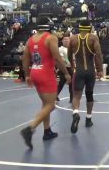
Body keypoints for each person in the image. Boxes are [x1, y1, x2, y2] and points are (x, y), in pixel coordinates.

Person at [20, 17, 71, 149]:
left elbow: (25, 58)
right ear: (49, 26)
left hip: (35, 73)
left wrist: (26, 75)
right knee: (51, 105)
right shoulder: (50, 38)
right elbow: (57, 57)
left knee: (45, 104)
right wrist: (66, 73)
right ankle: (30, 128)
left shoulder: (30, 40)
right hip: (46, 75)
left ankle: (47, 131)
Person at [68, 20, 103, 134]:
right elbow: (98, 55)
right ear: (89, 28)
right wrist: (100, 70)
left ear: (79, 27)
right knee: (89, 95)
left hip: (78, 71)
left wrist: (73, 65)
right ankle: (88, 119)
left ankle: (76, 113)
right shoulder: (93, 38)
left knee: (76, 95)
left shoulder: (73, 38)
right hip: (90, 72)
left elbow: (69, 55)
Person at [57, 34, 73, 103]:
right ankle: (55, 96)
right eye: (65, 40)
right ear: (62, 41)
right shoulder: (60, 49)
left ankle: (72, 98)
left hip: (71, 68)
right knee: (61, 83)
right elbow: (62, 59)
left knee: (72, 84)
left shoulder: (72, 49)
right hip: (63, 68)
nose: (66, 41)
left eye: (67, 39)